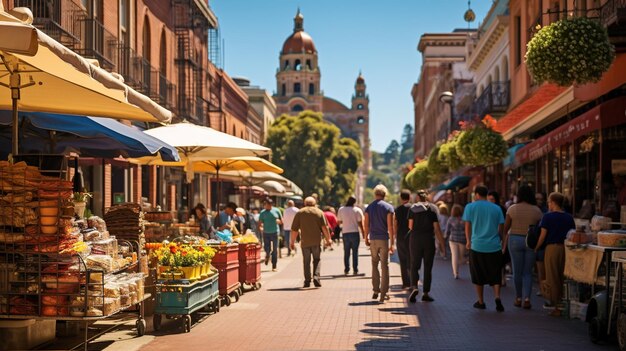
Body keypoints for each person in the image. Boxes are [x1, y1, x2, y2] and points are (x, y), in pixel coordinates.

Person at [463, 185, 505, 312]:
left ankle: (481, 301)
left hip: (477, 245)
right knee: (496, 273)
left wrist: (468, 241)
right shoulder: (496, 208)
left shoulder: (470, 207)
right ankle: (497, 297)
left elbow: (467, 226)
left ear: (476, 194)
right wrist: (499, 238)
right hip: (494, 246)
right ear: (486, 195)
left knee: (478, 274)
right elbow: (501, 226)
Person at [535, 192, 575, 317]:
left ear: (553, 202)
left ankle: (557, 306)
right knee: (562, 276)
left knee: (552, 277)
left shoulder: (547, 217)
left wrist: (536, 247)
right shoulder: (569, 217)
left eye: (549, 202)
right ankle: (563, 303)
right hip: (565, 249)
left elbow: (543, 235)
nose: (548, 204)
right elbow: (572, 234)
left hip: (552, 248)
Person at [503, 185, 543, 309]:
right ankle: (527, 299)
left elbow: (506, 228)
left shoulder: (512, 209)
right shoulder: (537, 210)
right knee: (528, 272)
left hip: (515, 239)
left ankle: (518, 297)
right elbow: (540, 228)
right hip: (530, 241)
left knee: (517, 271)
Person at [407, 190, 445, 303]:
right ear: (426, 197)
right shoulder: (432, 209)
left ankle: (414, 286)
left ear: (417, 198)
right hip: (429, 240)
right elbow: (437, 228)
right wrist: (442, 245)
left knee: (414, 265)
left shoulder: (412, 209)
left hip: (415, 240)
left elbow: (410, 226)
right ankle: (426, 293)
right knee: (428, 267)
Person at [290, 196, 332, 288]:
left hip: (305, 242)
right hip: (316, 241)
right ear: (314, 203)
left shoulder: (300, 213)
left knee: (306, 261)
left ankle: (307, 281)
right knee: (316, 260)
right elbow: (324, 227)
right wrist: (328, 239)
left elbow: (294, 229)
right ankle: (316, 277)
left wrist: (292, 242)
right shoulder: (319, 212)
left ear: (305, 203)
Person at [364, 184, 395, 303]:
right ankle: (384, 293)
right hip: (383, 239)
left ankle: (376, 290)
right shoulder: (388, 208)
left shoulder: (369, 207)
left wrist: (366, 238)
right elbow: (390, 227)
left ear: (375, 194)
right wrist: (392, 243)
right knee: (384, 266)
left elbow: (366, 224)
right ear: (385, 194)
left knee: (374, 264)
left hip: (373, 239)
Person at [338, 195, 365, 275]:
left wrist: (345, 222)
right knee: (355, 252)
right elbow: (360, 223)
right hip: (354, 232)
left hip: (345, 232)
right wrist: (364, 234)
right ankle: (355, 269)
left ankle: (346, 269)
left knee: (346, 252)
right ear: (354, 202)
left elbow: (339, 221)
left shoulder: (341, 209)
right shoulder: (357, 210)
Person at [488, 190, 509, 287]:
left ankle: (502, 278)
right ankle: (496, 278)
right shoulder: (487, 209)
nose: (490, 201)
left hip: (500, 236)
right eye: (489, 199)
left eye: (492, 199)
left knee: (501, 259)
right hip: (491, 236)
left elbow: (504, 224)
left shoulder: (501, 208)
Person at [393, 190, 412, 288]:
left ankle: (405, 283)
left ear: (401, 198)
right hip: (411, 236)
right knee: (412, 258)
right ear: (410, 197)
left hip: (401, 236)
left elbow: (395, 223)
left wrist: (395, 235)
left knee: (403, 260)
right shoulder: (413, 208)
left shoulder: (398, 209)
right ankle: (413, 281)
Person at [258, 199, 283, 272]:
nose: (267, 206)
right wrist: (261, 228)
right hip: (266, 233)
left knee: (275, 249)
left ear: (271, 205)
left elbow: (282, 221)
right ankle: (267, 255)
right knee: (266, 248)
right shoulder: (262, 213)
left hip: (275, 232)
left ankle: (274, 266)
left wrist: (279, 221)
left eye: (268, 205)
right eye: (265, 205)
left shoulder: (277, 211)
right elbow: (260, 223)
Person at [447, 204, 466, 279]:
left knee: (454, 256)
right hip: (462, 240)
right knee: (460, 257)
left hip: (453, 239)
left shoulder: (450, 219)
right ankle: (456, 272)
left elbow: (447, 230)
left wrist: (445, 236)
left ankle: (456, 273)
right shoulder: (464, 219)